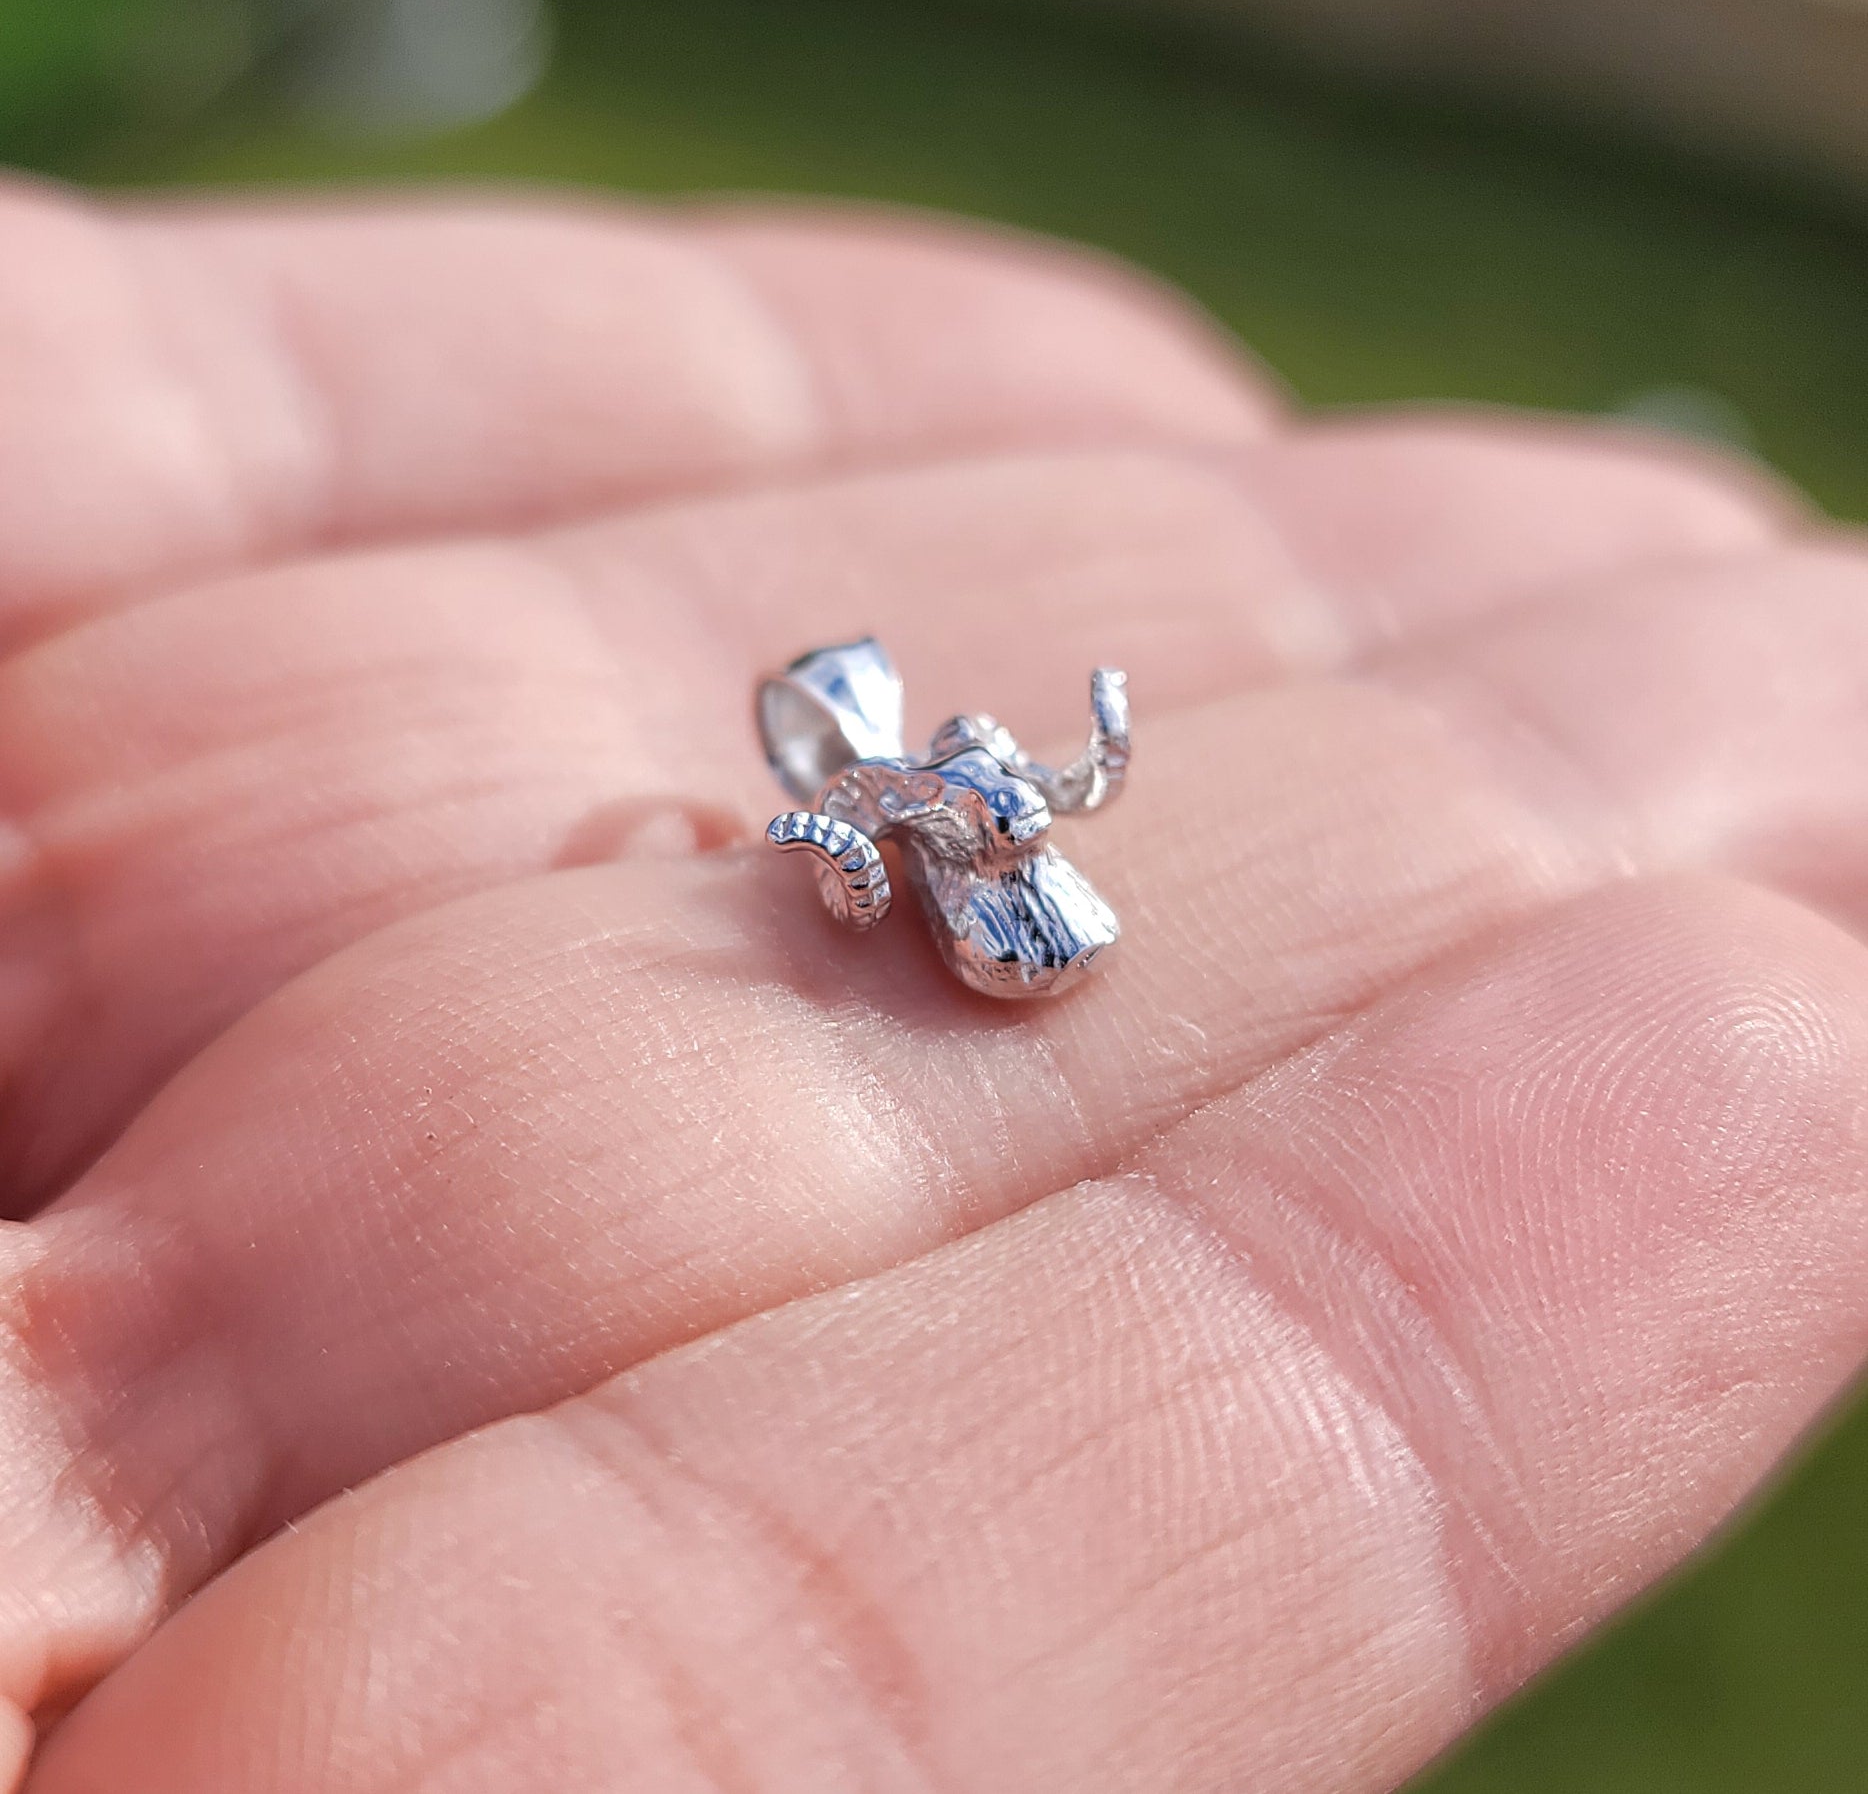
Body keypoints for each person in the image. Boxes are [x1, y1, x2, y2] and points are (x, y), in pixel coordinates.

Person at [0, 179, 1863, 1791]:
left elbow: (1073, 787)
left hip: (1021, 906)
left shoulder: (972, 773)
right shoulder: (888, 792)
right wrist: (834, 858)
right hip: (952, 905)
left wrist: (1093, 734)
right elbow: (830, 840)